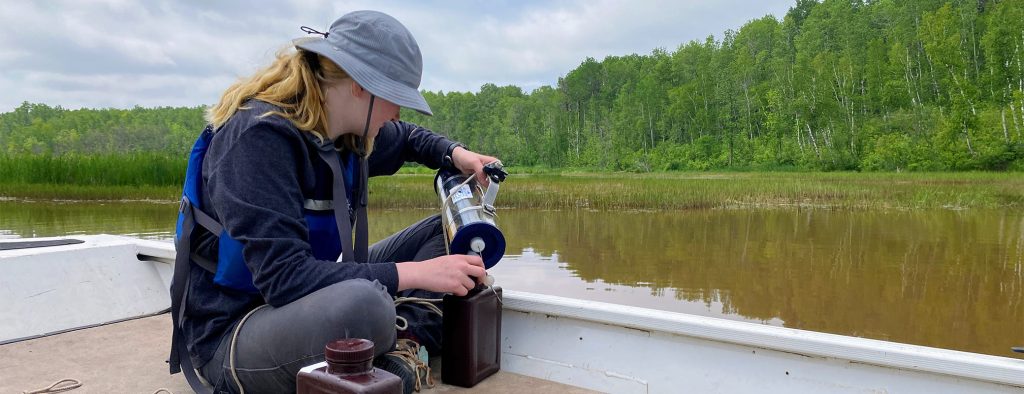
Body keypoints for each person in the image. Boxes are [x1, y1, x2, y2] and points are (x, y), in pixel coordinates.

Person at [167, 10, 498, 394]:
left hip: (309, 299)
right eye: (394, 98)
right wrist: (417, 274)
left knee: (449, 233)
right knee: (365, 305)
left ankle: (394, 347)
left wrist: (457, 154)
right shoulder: (257, 139)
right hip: (234, 332)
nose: (397, 111)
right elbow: (285, 279)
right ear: (360, 85)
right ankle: (387, 339)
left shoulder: (345, 132)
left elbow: (407, 138)